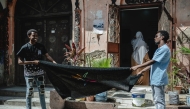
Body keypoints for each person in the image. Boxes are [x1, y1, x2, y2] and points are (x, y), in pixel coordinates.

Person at [16, 29, 56, 109]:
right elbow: (20, 62)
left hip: (40, 73)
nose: (36, 37)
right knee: (29, 92)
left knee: (41, 92)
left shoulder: (41, 46)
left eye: (36, 36)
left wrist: (53, 61)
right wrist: (32, 62)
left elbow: (47, 55)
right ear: (29, 36)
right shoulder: (24, 47)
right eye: (34, 36)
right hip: (29, 74)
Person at [131, 30, 171, 109]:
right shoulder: (159, 49)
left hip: (159, 78)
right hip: (155, 78)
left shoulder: (164, 49)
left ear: (162, 37)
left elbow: (152, 61)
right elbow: (154, 64)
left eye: (156, 36)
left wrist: (138, 66)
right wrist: (142, 70)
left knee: (159, 101)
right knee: (156, 100)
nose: (154, 38)